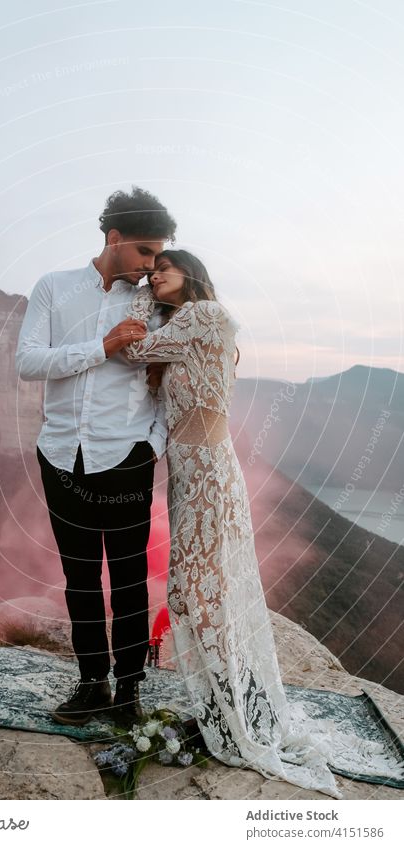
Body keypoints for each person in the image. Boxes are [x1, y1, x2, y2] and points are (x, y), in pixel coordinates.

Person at [121, 249, 404, 798]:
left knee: (197, 588)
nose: (153, 276)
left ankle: (229, 703)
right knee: (197, 586)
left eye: (163, 269)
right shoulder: (187, 322)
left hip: (204, 475)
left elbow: (131, 348)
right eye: (150, 271)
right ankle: (223, 693)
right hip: (191, 473)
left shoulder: (204, 316)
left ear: (192, 275)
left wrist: (135, 294)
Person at [15, 186, 176, 726]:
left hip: (128, 456)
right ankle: (91, 685)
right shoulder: (53, 288)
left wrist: (151, 445)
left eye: (159, 255)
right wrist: (101, 348)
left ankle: (129, 689)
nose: (154, 266)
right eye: (146, 253)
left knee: (128, 578)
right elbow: (30, 361)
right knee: (79, 577)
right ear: (114, 238)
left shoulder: (157, 303)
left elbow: (172, 381)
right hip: (60, 455)